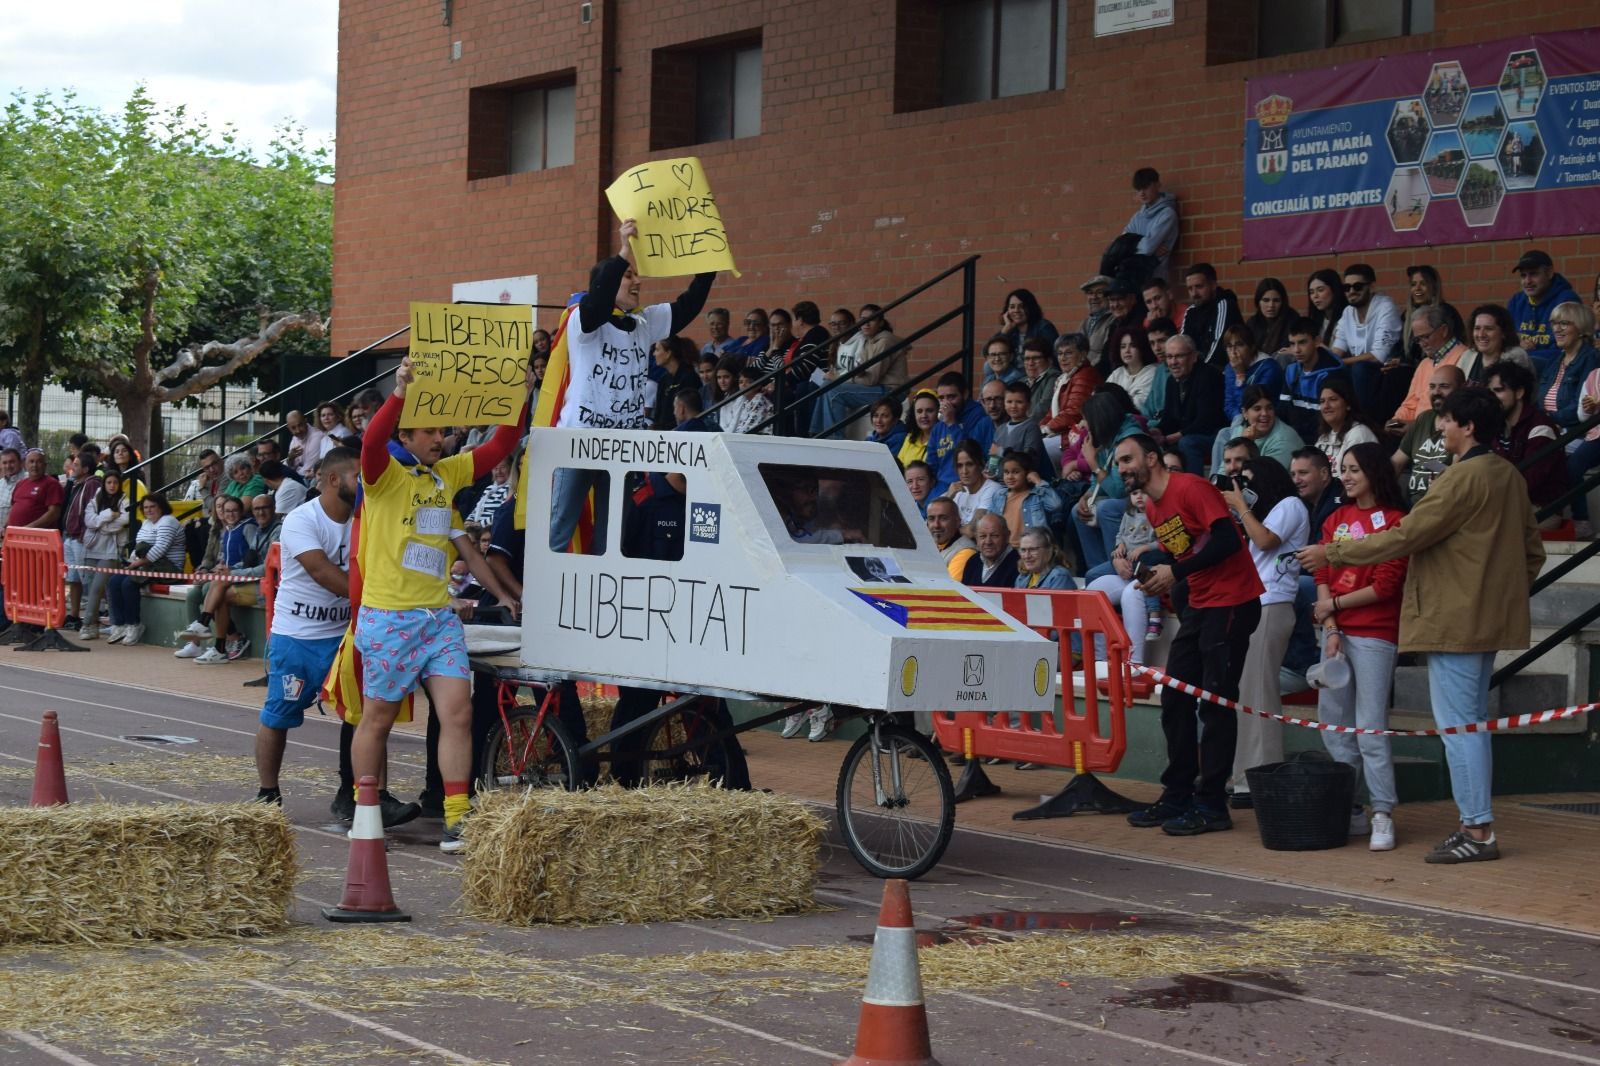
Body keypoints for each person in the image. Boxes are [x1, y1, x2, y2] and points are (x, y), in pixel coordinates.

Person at [1299, 388, 1544, 864]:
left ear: (1468, 427)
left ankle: (1476, 830)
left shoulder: (1459, 480)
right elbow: (1531, 553)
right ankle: (1476, 825)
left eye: (1446, 420)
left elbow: (1406, 535)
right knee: (1470, 727)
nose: (1440, 428)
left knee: (1460, 729)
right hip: (1483, 620)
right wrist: (1496, 593)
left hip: (1455, 621)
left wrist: (1333, 552)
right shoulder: (1510, 476)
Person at [352, 355, 530, 852]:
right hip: (388, 618)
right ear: (404, 438)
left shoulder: (447, 475)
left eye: (442, 430)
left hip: (438, 620)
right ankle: (365, 811)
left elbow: (500, 444)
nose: (438, 437)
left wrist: (519, 396)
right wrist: (400, 393)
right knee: (378, 719)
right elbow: (369, 442)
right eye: (427, 431)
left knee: (457, 714)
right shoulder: (381, 475)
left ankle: (457, 817)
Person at [1117, 434, 1263, 836]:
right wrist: (1161, 575)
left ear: (1151, 457)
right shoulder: (1153, 506)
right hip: (1200, 604)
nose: (1123, 468)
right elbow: (1186, 554)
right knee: (1176, 697)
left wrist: (1175, 573)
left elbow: (1226, 541)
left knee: (1216, 702)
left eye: (1128, 459)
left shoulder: (1191, 488)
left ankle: (1213, 803)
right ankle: (1178, 792)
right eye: (1118, 463)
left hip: (1232, 602)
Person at [551, 217, 715, 550]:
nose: (637, 281)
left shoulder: (644, 322)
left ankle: (595, 598)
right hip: (578, 439)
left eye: (636, 274)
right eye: (629, 275)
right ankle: (544, 598)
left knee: (613, 537)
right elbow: (597, 303)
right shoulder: (582, 322)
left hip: (622, 445)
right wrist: (623, 252)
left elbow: (686, 307)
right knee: (559, 528)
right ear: (607, 282)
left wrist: (708, 268)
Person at [253, 450, 375, 809]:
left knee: (365, 713)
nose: (365, 483)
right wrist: (378, 597)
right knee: (278, 715)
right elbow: (322, 573)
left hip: (344, 634)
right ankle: (267, 791)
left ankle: (355, 794)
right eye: (358, 476)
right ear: (334, 479)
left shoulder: (366, 519)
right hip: (298, 637)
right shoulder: (300, 520)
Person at [1309, 442, 1410, 852]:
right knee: (1333, 723)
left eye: (1354, 469)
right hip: (1335, 634)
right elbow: (1322, 572)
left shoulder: (1397, 521)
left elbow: (1385, 586)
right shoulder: (1335, 518)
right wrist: (1330, 626)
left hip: (1374, 634)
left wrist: (1331, 606)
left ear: (1374, 471)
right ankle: (1349, 807)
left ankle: (1382, 811)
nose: (1346, 477)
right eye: (1343, 469)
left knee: (1370, 726)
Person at [1219, 457, 1309, 809]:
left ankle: (1261, 774)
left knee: (1260, 691)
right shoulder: (1264, 511)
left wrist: (1241, 507)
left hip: (1272, 604)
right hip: (1252, 602)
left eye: (1251, 482)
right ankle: (1244, 774)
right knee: (1246, 691)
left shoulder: (1290, 504)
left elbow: (1267, 541)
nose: (1246, 490)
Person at [1084, 486, 1168, 664]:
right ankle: (1098, 661)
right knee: (1092, 587)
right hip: (1127, 562)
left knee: (1134, 592)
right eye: (1135, 493)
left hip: (1148, 564)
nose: (1139, 496)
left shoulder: (1159, 514)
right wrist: (1118, 549)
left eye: (1143, 492)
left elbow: (1163, 545)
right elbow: (1120, 536)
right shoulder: (1128, 514)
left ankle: (1133, 663)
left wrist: (1143, 550)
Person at [1070, 386, 1145, 574]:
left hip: (1143, 499)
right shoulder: (1106, 437)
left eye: (1086, 420)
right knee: (1078, 512)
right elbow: (1099, 482)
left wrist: (1092, 463)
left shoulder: (1129, 440)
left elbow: (1119, 490)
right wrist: (1087, 496)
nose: (1082, 425)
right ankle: (1097, 568)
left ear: (1098, 420)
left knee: (1106, 508)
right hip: (1123, 496)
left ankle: (1117, 564)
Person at [1487, 360, 1567, 523]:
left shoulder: (1541, 427)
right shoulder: (1495, 425)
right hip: (1505, 504)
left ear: (1519, 392)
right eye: (1490, 392)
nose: (1493, 398)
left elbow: (1528, 482)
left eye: (1499, 390)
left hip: (1540, 509)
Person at [105, 493, 186, 647]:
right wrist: (132, 561)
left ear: (161, 506)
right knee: (114, 581)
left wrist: (135, 564)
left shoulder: (168, 521)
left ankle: (134, 624)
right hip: (147, 565)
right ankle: (120, 625)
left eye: (152, 506)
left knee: (129, 583)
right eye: (146, 507)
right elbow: (138, 547)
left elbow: (160, 549)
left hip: (168, 567)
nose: (148, 510)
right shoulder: (146, 523)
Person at [814, 305, 907, 436]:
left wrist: (839, 378)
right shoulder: (869, 341)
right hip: (878, 388)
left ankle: (835, 442)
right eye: (863, 319)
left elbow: (870, 379)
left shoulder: (884, 342)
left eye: (872, 319)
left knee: (834, 392)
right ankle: (816, 433)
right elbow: (860, 371)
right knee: (826, 386)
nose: (866, 323)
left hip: (892, 391)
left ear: (880, 323)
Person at [1149, 334, 1227, 475]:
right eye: (1169, 357)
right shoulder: (1172, 381)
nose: (1173, 362)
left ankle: (1194, 488)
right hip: (1188, 433)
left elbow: (1206, 421)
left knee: (1187, 443)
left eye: (1179, 356)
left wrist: (1170, 437)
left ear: (1193, 357)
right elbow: (1169, 418)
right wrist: (1158, 431)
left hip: (1213, 435)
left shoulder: (1208, 376)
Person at [1330, 264, 1401, 413]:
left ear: (1372, 287)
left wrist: (1340, 363)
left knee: (1359, 368)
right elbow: (1335, 353)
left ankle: (1365, 421)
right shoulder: (1348, 312)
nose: (1351, 291)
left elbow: (1378, 356)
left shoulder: (1385, 307)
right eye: (1347, 287)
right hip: (1360, 374)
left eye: (1357, 286)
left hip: (1386, 373)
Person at [1390, 306, 1476, 427]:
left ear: (1444, 330)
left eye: (1426, 336)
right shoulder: (1424, 364)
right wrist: (1396, 421)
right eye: (1417, 339)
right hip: (1418, 431)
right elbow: (1411, 403)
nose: (1422, 344)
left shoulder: (1465, 356)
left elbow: (1456, 408)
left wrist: (1415, 426)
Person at [1393, 364, 1463, 507]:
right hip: (1411, 507)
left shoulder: (1464, 424)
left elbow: (1455, 473)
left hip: (1439, 508)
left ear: (1462, 388)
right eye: (1432, 387)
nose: (1436, 392)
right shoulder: (1424, 419)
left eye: (1444, 386)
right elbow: (1396, 462)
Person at [77, 467, 129, 642]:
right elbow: (89, 521)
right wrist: (108, 515)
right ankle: (93, 627)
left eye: (115, 482)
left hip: (110, 552)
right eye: (109, 482)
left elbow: (124, 520)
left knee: (96, 589)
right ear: (104, 483)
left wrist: (102, 525)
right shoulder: (95, 500)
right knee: (90, 589)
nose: (112, 485)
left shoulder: (124, 500)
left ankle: (85, 625)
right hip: (91, 548)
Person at [925, 373, 994, 496]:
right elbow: (931, 463)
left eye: (951, 397)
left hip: (968, 487)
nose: (946, 403)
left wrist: (952, 423)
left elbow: (972, 453)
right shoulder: (939, 426)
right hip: (941, 487)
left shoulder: (979, 417)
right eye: (941, 398)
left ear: (965, 394)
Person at [1536, 302, 1599, 437]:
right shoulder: (1554, 362)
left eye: (1564, 323)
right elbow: (1539, 402)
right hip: (1549, 429)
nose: (1557, 329)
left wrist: (1548, 421)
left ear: (1581, 328)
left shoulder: (1591, 358)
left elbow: (1580, 406)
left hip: (1576, 433)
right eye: (1554, 323)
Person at [1209, 385, 1303, 473]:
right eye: (1257, 409)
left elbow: (1263, 480)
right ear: (1245, 413)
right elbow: (1223, 471)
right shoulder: (1241, 430)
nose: (1264, 413)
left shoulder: (1284, 440)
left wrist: (1247, 446)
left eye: (1269, 408)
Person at [1280, 317, 1345, 442]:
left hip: (1324, 440)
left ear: (1317, 341)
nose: (1296, 350)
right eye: (1292, 344)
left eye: (1302, 342)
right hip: (1294, 438)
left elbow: (1326, 420)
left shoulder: (1332, 373)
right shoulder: (1290, 371)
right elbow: (1283, 411)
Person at [1507, 249, 1579, 364]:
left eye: (1533, 274)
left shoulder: (1566, 301)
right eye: (1523, 275)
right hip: (1521, 366)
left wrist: (1524, 355)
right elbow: (1504, 340)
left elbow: (1564, 350)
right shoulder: (1516, 301)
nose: (1527, 281)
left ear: (1549, 273)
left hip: (1554, 368)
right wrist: (1517, 344)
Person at [1041, 332, 1101, 462]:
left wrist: (1045, 429)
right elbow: (1051, 414)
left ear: (1083, 354)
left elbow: (1073, 412)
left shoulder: (1085, 375)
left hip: (1075, 437)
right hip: (1061, 434)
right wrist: (1037, 429)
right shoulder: (1064, 378)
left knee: (1036, 450)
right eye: (1060, 353)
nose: (1062, 358)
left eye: (1068, 353)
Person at [60, 451, 103, 630]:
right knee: (74, 579)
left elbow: (90, 511)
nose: (72, 468)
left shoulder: (92, 484)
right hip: (70, 537)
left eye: (76, 465)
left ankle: (92, 618)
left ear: (86, 469)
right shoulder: (77, 484)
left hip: (79, 539)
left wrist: (84, 536)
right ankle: (74, 615)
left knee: (88, 580)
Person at [1178, 263, 1242, 367]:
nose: (1194, 293)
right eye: (1190, 289)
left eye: (1199, 286)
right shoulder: (1191, 311)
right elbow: (1183, 345)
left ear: (1213, 285)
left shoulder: (1224, 304)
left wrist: (1200, 372)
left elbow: (1219, 347)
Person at [1125, 167, 1181, 284]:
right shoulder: (1137, 217)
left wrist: (1138, 246)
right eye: (1138, 189)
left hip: (1156, 279)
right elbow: (1122, 245)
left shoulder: (1167, 214)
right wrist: (1147, 247)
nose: (1142, 193)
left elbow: (1147, 248)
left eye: (1145, 187)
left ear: (1157, 185)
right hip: (1135, 278)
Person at [998, 450, 1063, 548]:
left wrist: (1038, 481)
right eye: (1006, 472)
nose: (1010, 477)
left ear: (1027, 473)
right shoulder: (999, 496)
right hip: (1006, 550)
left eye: (1015, 472)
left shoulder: (1037, 496)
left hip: (1032, 549)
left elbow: (1056, 505)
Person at [1220, 325, 1284, 422]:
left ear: (1252, 347)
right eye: (1229, 346)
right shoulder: (1230, 367)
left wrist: (1240, 376)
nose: (1233, 351)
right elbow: (1229, 405)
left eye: (1239, 345)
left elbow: (1254, 404)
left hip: (1266, 424)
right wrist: (1238, 422)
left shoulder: (1270, 368)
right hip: (1240, 423)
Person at [1314, 376, 1379, 469]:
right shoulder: (1323, 437)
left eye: (1333, 399)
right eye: (1322, 401)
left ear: (1348, 405)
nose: (1326, 406)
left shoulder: (1359, 434)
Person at [946, 439, 1005, 539]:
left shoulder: (992, 489)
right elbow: (933, 525)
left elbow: (972, 531)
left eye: (969, 464)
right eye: (960, 466)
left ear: (980, 464)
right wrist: (948, 498)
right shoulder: (956, 491)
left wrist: (948, 530)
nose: (964, 471)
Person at [992, 381, 1050, 479]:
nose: (1013, 406)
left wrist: (1004, 452)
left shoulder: (1031, 427)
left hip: (1023, 483)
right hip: (1000, 481)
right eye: (1009, 402)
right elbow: (994, 456)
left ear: (1028, 404)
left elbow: (1029, 459)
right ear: (1004, 404)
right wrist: (990, 470)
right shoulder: (1000, 429)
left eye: (1019, 402)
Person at [649, 336, 702, 431]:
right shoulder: (664, 379)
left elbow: (688, 412)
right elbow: (658, 413)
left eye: (657, 350)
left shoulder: (689, 377)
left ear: (668, 353)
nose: (654, 354)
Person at [1290, 446, 1342, 536]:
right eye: (1293, 474)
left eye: (1303, 473)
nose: (1296, 480)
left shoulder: (1340, 505)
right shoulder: (1297, 500)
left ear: (1324, 474)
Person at [998, 289, 1058, 363]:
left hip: (1036, 370)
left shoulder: (1043, 327)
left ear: (1030, 308)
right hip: (1015, 372)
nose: (1016, 310)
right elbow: (988, 352)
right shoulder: (1010, 330)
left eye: (1021, 306)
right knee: (988, 365)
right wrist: (1005, 331)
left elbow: (1055, 355)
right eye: (1012, 307)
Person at [961, 512, 1019, 588]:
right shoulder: (973, 561)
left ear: (1007, 536)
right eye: (983, 536)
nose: (988, 542)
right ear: (976, 538)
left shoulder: (1018, 564)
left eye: (994, 536)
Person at [1107, 328, 1159, 409]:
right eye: (1123, 347)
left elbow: (1139, 405)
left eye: (1133, 346)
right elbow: (1101, 398)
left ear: (1142, 348)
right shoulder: (1117, 373)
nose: (1127, 350)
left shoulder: (1153, 372)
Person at [926, 497, 976, 580]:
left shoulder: (966, 551)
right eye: (931, 519)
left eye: (943, 518)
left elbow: (948, 590)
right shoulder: (930, 546)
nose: (936, 525)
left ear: (957, 522)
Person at [1248, 277, 1293, 358]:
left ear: (1282, 302)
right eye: (1266, 300)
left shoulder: (1292, 321)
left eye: (1276, 300)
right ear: (1258, 302)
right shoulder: (1252, 323)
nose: (1271, 305)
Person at [1304, 269, 1348, 351]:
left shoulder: (1347, 317)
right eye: (1311, 292)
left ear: (1334, 290)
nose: (1315, 296)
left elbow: (1337, 357)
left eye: (1320, 290)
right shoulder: (1317, 320)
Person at [1079, 275, 1115, 371]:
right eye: (1090, 293)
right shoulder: (1086, 322)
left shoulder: (1113, 320)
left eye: (1099, 292)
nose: (1094, 297)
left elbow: (1106, 357)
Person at [897, 390, 939, 468]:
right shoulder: (910, 438)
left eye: (929, 410)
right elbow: (898, 467)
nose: (924, 415)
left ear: (938, 412)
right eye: (919, 411)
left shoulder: (944, 440)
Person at [1021, 338, 1060, 422]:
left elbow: (1043, 409)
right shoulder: (1021, 382)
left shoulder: (1053, 378)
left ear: (1049, 360)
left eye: (1036, 358)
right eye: (1027, 359)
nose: (1030, 363)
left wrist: (1022, 426)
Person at [284, 410, 325, 479]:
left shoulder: (316, 436)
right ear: (289, 428)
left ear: (305, 421)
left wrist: (293, 470)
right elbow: (291, 466)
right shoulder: (294, 438)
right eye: (293, 428)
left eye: (300, 425)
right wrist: (290, 459)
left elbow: (307, 470)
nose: (298, 430)